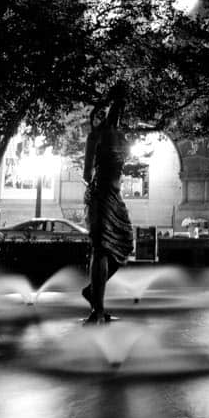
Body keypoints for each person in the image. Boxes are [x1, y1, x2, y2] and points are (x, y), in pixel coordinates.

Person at [81, 83, 134, 323]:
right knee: (101, 249)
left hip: (115, 196)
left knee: (125, 243)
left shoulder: (121, 137)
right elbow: (86, 173)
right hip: (100, 194)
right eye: (116, 107)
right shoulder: (97, 136)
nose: (118, 112)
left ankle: (93, 292)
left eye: (120, 108)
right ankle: (98, 309)